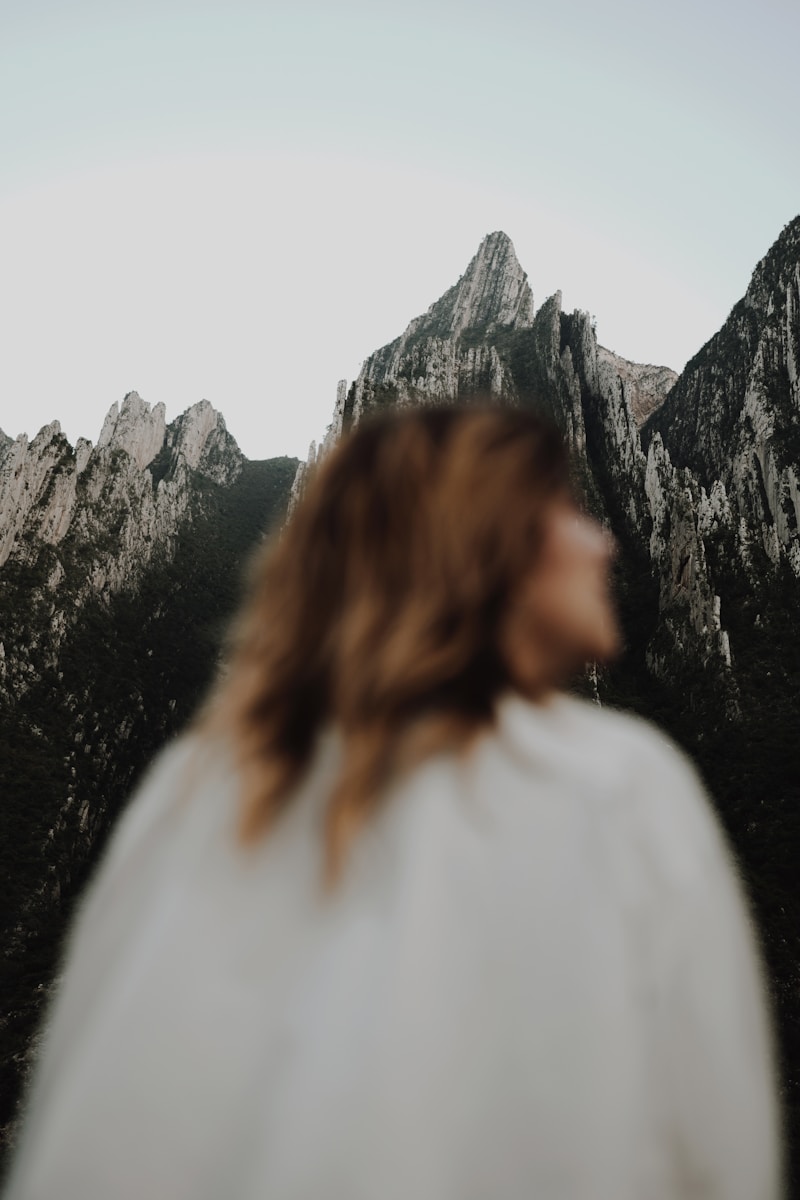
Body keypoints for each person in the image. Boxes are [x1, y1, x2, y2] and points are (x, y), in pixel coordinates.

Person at [4, 404, 781, 1199]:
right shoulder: (620, 784)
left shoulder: (210, 785)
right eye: (563, 513)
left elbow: (95, 1137)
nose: (604, 541)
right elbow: (723, 1158)